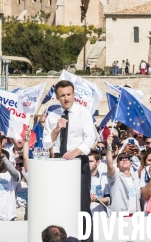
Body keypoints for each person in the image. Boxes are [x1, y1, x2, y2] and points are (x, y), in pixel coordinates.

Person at [43, 80, 96, 241]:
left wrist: (76, 152)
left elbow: (90, 138)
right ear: (57, 97)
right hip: (59, 162)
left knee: (83, 204)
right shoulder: (52, 116)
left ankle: (87, 239)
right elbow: (46, 143)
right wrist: (56, 129)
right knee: (60, 201)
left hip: (79, 161)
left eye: (69, 94)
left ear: (73, 94)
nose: (66, 98)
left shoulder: (83, 112)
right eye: (62, 95)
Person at [105, 135, 140, 214]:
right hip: (120, 217)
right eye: (120, 158)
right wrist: (109, 147)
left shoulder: (136, 178)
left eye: (127, 158)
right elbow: (110, 165)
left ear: (131, 164)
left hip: (135, 217)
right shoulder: (115, 177)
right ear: (117, 165)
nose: (124, 159)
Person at [88, 150, 110, 216]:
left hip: (101, 216)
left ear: (97, 162)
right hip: (86, 216)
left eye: (91, 161)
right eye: (87, 161)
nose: (88, 163)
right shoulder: (81, 179)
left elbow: (108, 199)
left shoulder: (104, 178)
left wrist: (97, 199)